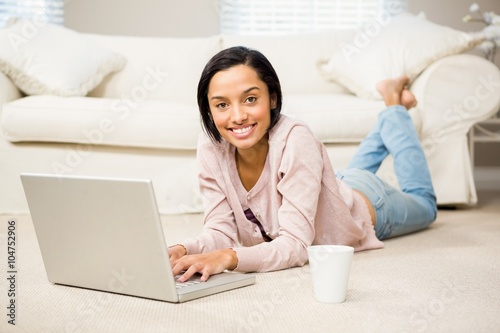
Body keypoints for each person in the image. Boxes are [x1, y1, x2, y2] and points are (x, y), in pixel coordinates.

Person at [168, 46, 437, 282]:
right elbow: (219, 230)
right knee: (337, 182)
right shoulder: (211, 144)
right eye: (222, 105)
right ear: (209, 110)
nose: (237, 116)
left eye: (250, 99)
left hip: (368, 204)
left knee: (425, 204)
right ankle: (390, 115)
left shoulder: (297, 140)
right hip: (329, 187)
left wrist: (229, 258)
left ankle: (393, 105)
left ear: (272, 98)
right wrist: (185, 249)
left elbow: (296, 245)